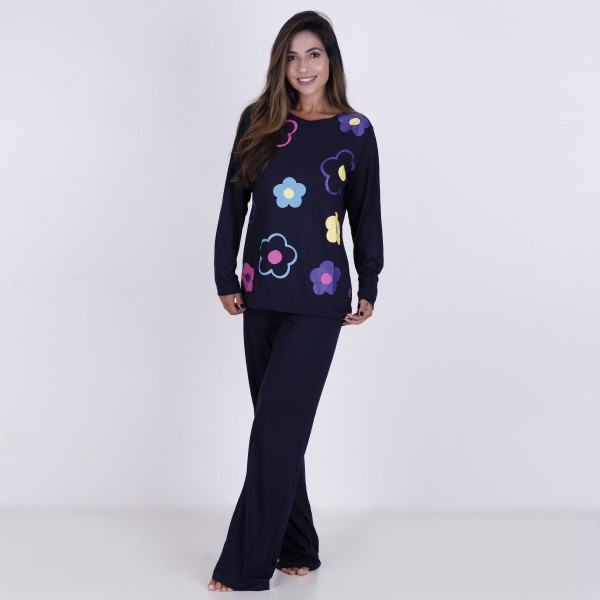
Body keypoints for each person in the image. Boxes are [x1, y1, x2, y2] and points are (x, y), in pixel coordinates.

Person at [208, 10, 383, 592]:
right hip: (259, 292)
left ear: (330, 59)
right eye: (291, 56)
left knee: (276, 429)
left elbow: (366, 214)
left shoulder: (355, 131)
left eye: (313, 54)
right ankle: (298, 543)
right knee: (276, 427)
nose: (302, 67)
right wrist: (225, 275)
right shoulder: (258, 121)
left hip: (319, 299)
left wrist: (369, 282)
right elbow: (234, 203)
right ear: (279, 64)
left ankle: (244, 566)